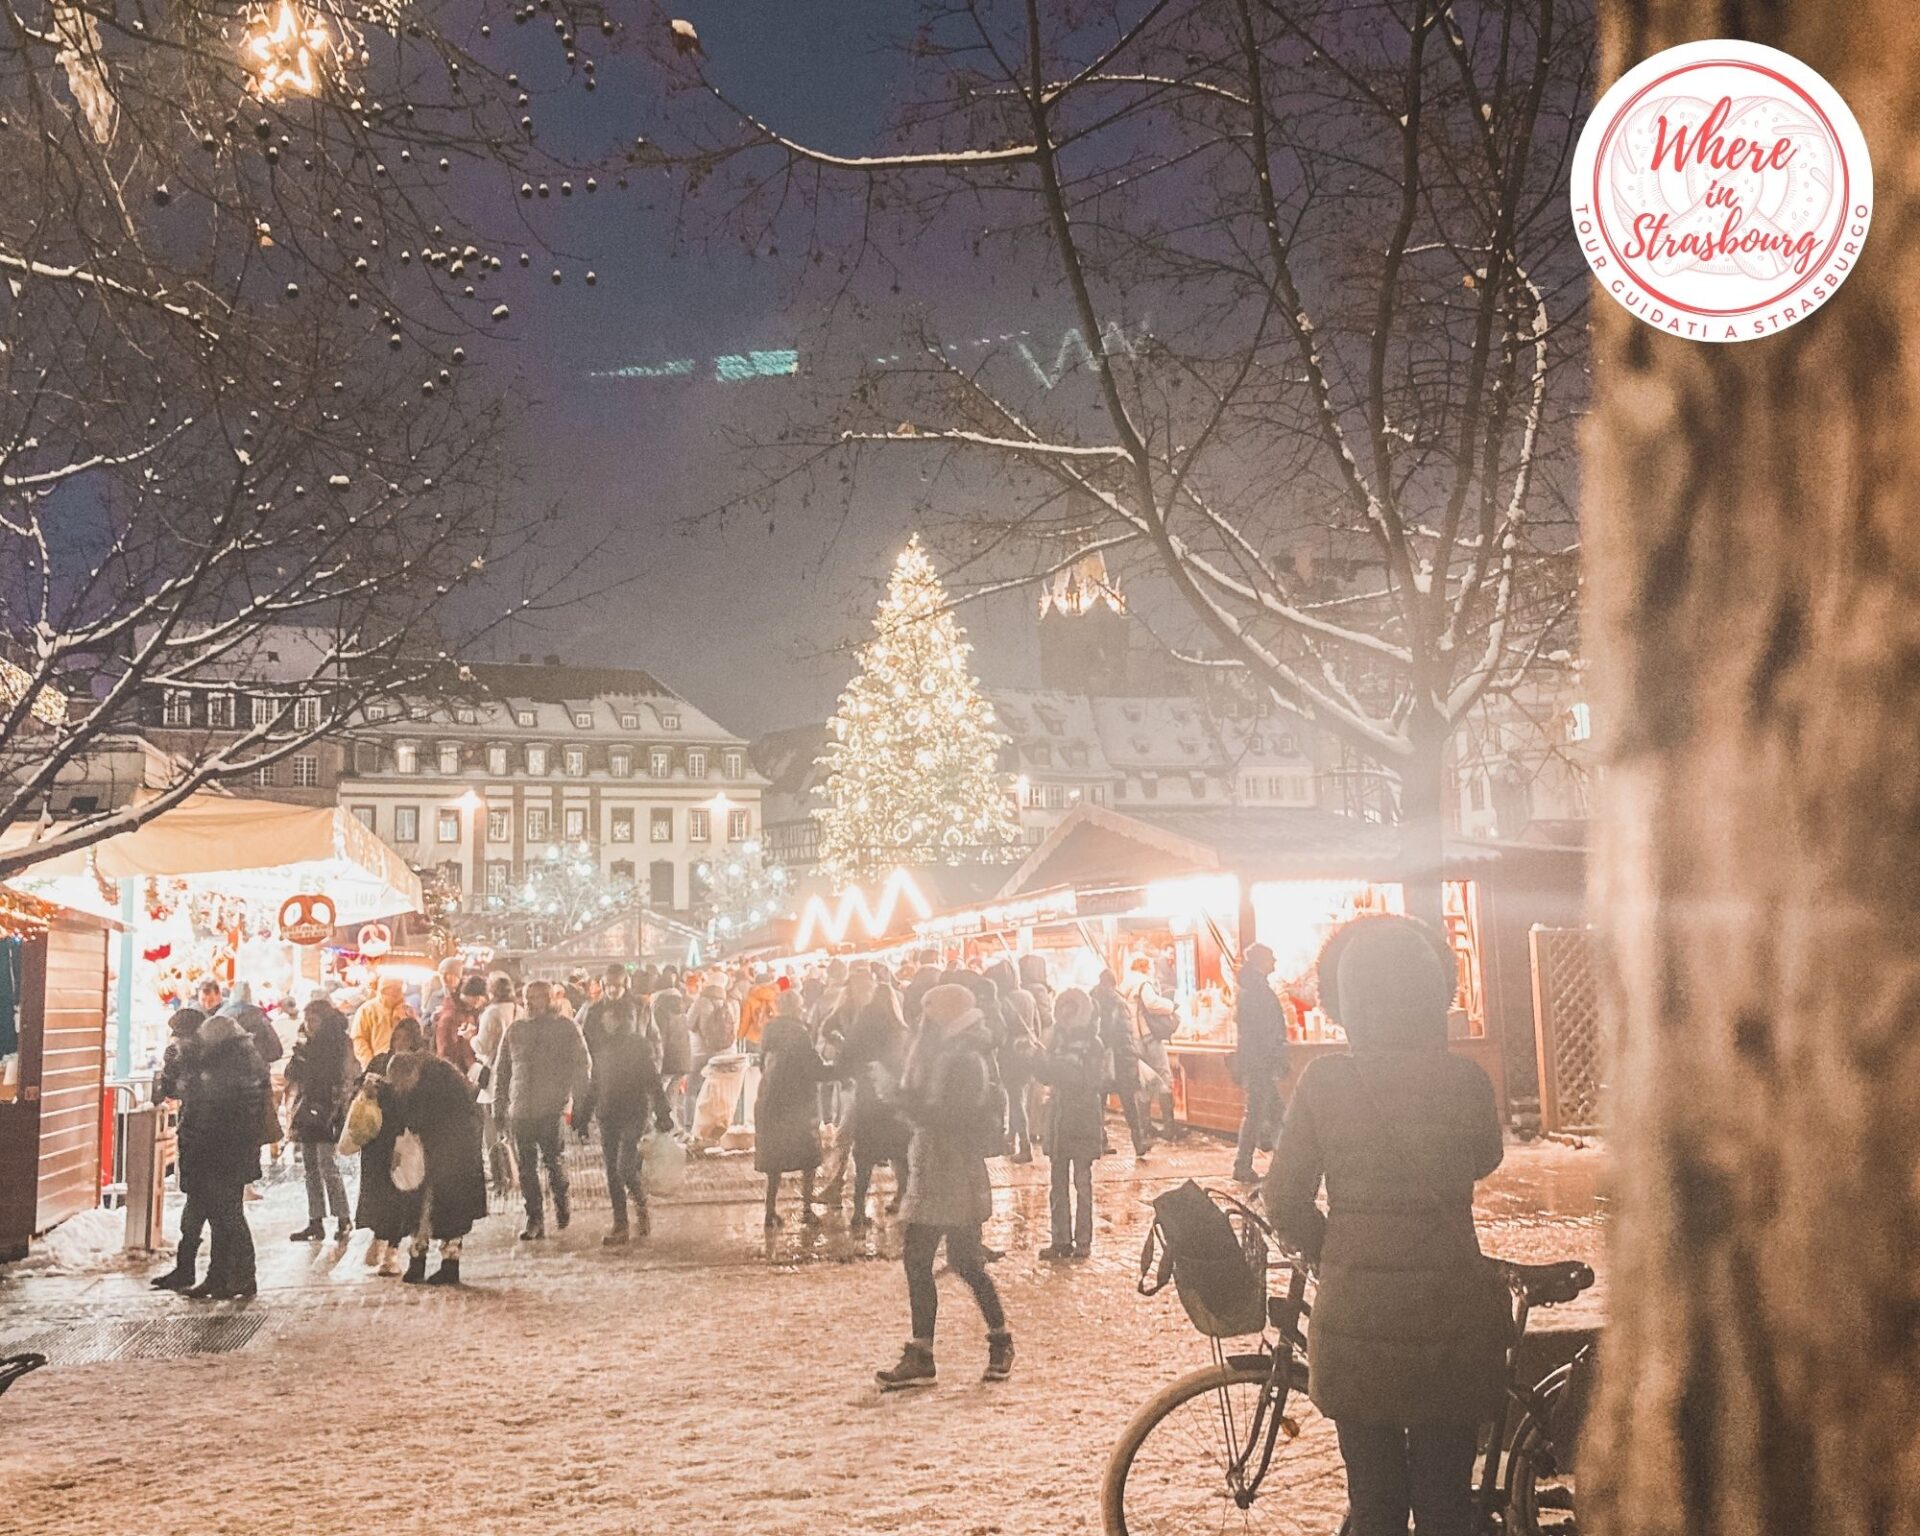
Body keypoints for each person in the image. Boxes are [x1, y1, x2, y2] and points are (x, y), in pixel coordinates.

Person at [1264, 916, 1507, 1536]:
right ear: (1432, 994)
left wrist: (1336, 1253)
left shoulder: (1324, 1082)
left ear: (1347, 1000)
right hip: (1450, 1312)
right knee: (1445, 1502)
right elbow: (1485, 1159)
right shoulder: (1466, 1080)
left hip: (1357, 1321)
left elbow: (1284, 1198)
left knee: (1373, 1502)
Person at [875, 983, 1012, 1391]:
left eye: (930, 1012)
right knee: (934, 1259)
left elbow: (950, 1117)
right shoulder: (942, 1053)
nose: (923, 1021)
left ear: (949, 1013)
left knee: (960, 1261)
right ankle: (931, 1352)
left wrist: (897, 1098)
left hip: (954, 1170)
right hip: (934, 1168)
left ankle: (992, 1342)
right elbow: (929, 1107)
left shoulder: (967, 1058)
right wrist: (899, 1093)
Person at [171, 1014, 271, 1298]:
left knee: (228, 1217)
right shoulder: (243, 1061)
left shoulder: (225, 1067)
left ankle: (239, 1277)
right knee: (224, 1217)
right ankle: (221, 1277)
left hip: (221, 1154)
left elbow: (212, 1113)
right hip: (232, 1153)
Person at [494, 980, 590, 1241]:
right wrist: (499, 1106)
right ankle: (534, 1217)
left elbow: (581, 1065)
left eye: (535, 997)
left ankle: (561, 1202)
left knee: (553, 1161)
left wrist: (580, 1103)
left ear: (549, 999)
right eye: (526, 997)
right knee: (526, 1168)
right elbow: (502, 1071)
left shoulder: (566, 1028)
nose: (529, 1002)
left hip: (551, 1107)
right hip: (521, 1107)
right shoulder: (515, 1030)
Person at [384, 1047, 489, 1284]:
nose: (399, 1090)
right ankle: (429, 1263)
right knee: (429, 1208)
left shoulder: (437, 1082)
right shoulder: (433, 1076)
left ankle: (440, 1265)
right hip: (442, 1155)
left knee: (437, 1207)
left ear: (410, 1074)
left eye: (401, 1084)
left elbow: (425, 1120)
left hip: (451, 1156)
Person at [585, 966, 674, 1245]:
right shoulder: (600, 1042)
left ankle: (641, 1205)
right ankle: (620, 1223)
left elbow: (653, 1079)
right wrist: (582, 1114)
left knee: (624, 1166)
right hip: (608, 1110)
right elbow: (596, 1083)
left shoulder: (638, 1041)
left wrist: (663, 1112)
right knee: (612, 1169)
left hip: (634, 1108)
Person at [350, 1015, 428, 1275]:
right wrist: (368, 1088)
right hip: (377, 1140)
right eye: (397, 1038)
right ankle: (379, 1236)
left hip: (403, 1141)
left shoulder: (421, 1065)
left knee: (399, 1195)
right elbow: (358, 1088)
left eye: (406, 1039)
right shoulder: (380, 1061)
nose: (400, 1043)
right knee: (378, 1192)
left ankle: (391, 1250)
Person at [836, 973, 912, 1233]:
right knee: (900, 1154)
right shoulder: (899, 1028)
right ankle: (903, 1200)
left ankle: (858, 1211)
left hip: (868, 1097)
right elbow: (906, 1063)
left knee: (865, 1156)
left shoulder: (862, 1027)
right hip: (894, 1100)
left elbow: (846, 1058)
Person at [1034, 987, 1105, 1260]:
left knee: (1082, 1184)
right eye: (1061, 1009)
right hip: (1059, 1119)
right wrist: (1036, 1061)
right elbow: (1047, 1078)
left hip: (1082, 1118)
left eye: (1069, 1009)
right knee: (1057, 1183)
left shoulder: (1093, 1044)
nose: (1064, 1015)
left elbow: (1090, 1082)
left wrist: (1058, 1069)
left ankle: (1083, 1241)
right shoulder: (1056, 1041)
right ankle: (1060, 1240)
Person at [284, 998, 357, 1241]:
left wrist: (335, 1106)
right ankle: (315, 1220)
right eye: (307, 1020)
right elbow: (292, 1075)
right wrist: (299, 1055)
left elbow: (340, 1076)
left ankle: (343, 1217)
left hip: (328, 1110)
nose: (309, 1024)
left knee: (327, 1165)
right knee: (310, 1167)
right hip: (306, 1108)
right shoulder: (306, 1043)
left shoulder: (337, 1043)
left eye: (314, 1020)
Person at [755, 988, 825, 1228]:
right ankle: (806, 1208)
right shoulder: (800, 1032)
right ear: (798, 1007)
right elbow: (813, 1067)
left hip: (770, 1100)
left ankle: (770, 1211)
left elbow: (761, 1063)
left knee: (774, 1160)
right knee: (808, 1157)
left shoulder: (769, 1030)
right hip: (797, 1102)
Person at [149, 1008, 208, 1291]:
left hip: (202, 1137)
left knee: (214, 1212)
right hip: (208, 1137)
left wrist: (168, 1066)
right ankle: (197, 1270)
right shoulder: (213, 1054)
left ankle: (194, 1270)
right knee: (213, 1212)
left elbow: (168, 1090)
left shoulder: (190, 1057)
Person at [1231, 942, 1292, 1185]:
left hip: (1258, 1059)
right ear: (1261, 961)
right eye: (1272, 957)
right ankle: (1243, 1164)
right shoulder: (1257, 991)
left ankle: (1283, 1163)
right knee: (1258, 1112)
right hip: (1262, 1061)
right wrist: (1275, 1056)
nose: (1275, 961)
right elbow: (1264, 1029)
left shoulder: (1251, 988)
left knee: (1274, 1113)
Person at [1093, 968, 1150, 1158]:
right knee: (1129, 1102)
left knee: (1098, 1103)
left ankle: (1100, 1141)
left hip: (1099, 1058)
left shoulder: (1090, 1001)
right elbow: (1126, 1034)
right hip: (1122, 1058)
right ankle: (1138, 1141)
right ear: (1114, 983)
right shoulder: (1119, 1002)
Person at [1123, 956, 1182, 1142]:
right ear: (1145, 967)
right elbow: (1152, 1004)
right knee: (1164, 1077)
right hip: (1149, 1037)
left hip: (1134, 1038)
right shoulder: (1143, 983)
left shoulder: (1125, 985)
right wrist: (1171, 1006)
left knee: (1143, 1082)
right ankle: (1169, 1126)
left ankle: (1145, 1126)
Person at [472, 973, 520, 1196]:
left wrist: (470, 1036)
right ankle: (517, 1173)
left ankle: (500, 1178)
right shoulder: (519, 1009)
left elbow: (482, 1046)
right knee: (511, 1129)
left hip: (493, 1078)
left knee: (491, 1131)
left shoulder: (491, 1013)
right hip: (516, 1076)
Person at [684, 980, 734, 1127]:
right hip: (722, 1053)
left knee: (692, 1089)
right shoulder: (727, 1004)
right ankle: (714, 1123)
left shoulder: (700, 1003)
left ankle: (691, 1124)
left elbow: (688, 1024)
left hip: (700, 1052)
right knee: (715, 1090)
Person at [209, 979, 284, 1070]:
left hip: (227, 1073)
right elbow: (276, 1050)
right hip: (256, 1072)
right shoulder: (258, 1015)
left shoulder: (221, 1015)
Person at [651, 986, 692, 1129]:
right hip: (683, 1062)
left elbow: (660, 1039)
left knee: (658, 1099)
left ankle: (661, 1130)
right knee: (671, 1098)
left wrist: (655, 1061)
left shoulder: (660, 1012)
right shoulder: (681, 1011)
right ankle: (674, 1129)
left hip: (667, 1062)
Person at [350, 976, 410, 1067]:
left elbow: (417, 1037)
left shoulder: (408, 1011)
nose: (393, 992)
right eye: (389, 989)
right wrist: (369, 1064)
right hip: (378, 1066)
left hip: (403, 1068)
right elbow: (359, 1040)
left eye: (397, 989)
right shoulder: (367, 1010)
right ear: (382, 989)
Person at [434, 973, 486, 1076]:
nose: (482, 1002)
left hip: (462, 1071)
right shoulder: (452, 1016)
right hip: (454, 1073)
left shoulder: (466, 1012)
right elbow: (445, 1049)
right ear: (476, 998)